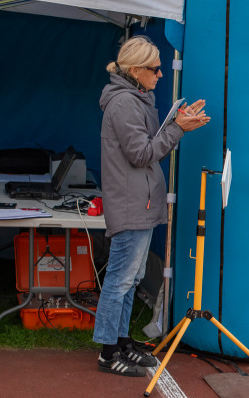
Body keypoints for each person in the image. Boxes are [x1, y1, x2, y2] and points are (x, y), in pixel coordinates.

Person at [93, 35, 209, 376]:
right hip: (131, 203)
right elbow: (141, 153)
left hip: (137, 200)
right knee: (121, 278)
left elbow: (145, 144)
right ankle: (107, 352)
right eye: (155, 69)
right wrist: (177, 129)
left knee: (131, 277)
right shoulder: (125, 103)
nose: (160, 74)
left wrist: (175, 124)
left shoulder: (134, 98)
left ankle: (121, 340)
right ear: (135, 70)